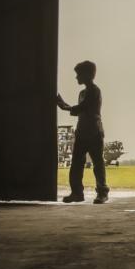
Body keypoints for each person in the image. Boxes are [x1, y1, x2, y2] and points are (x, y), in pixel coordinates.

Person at [57, 60, 108, 204]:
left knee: (98, 163)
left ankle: (102, 193)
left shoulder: (94, 91)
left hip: (94, 132)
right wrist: (65, 105)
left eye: (78, 74)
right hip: (81, 131)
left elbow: (82, 108)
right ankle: (77, 193)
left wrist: (63, 105)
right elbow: (81, 110)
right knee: (76, 164)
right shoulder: (82, 92)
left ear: (87, 75)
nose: (76, 77)